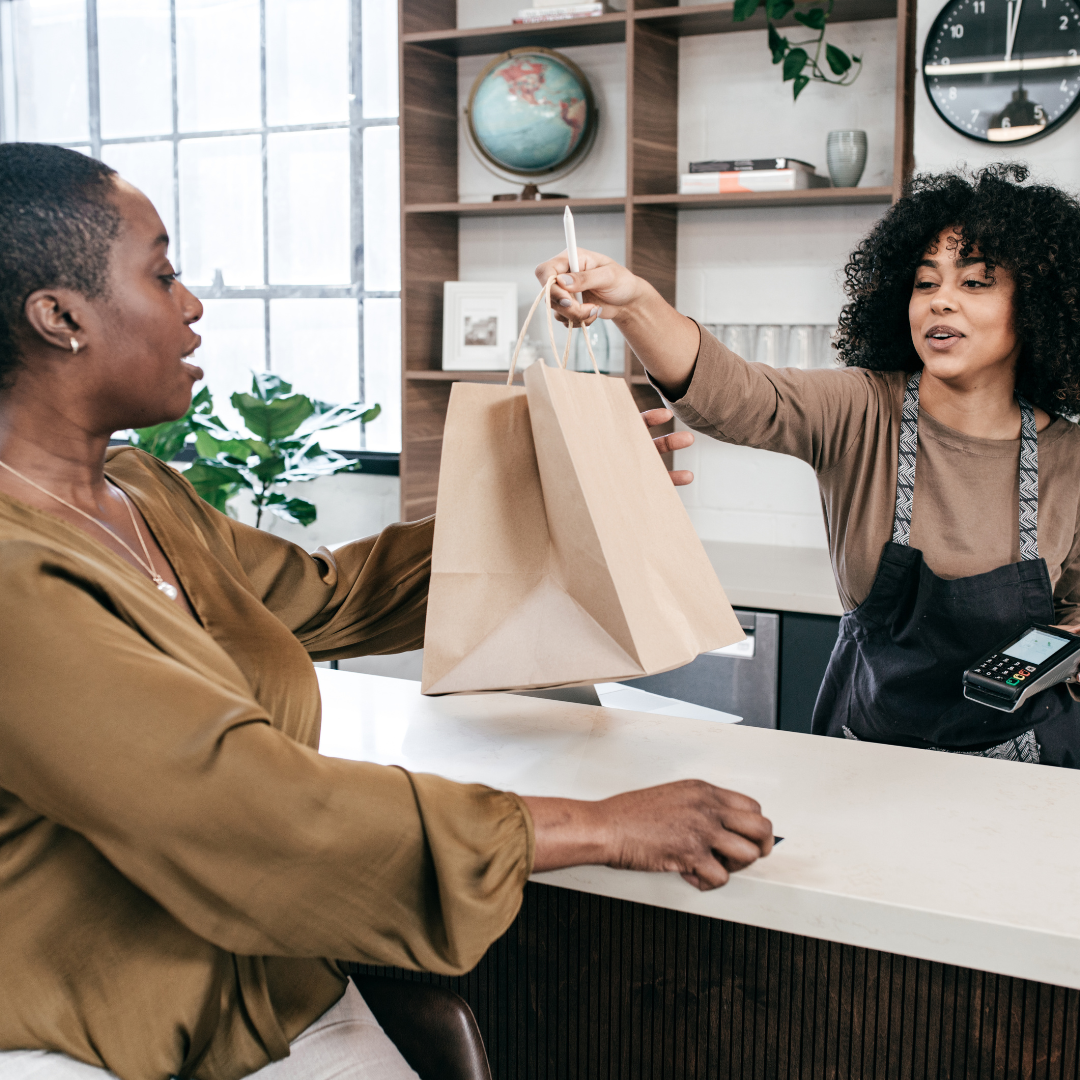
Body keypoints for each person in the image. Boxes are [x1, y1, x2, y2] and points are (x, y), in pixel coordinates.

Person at [0, 143, 774, 1080]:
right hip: (97, 1039)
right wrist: (594, 825)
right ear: (60, 317)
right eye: (162, 274)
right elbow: (244, 809)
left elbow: (328, 598)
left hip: (280, 993)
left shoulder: (138, 490)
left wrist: (561, 485)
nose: (193, 305)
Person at [538, 163, 1080, 768]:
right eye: (925, 283)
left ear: (1036, 305)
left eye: (976, 283)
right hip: (868, 756)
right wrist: (635, 304)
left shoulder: (1071, 459)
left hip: (1027, 768)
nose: (940, 301)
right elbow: (736, 397)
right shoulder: (862, 409)